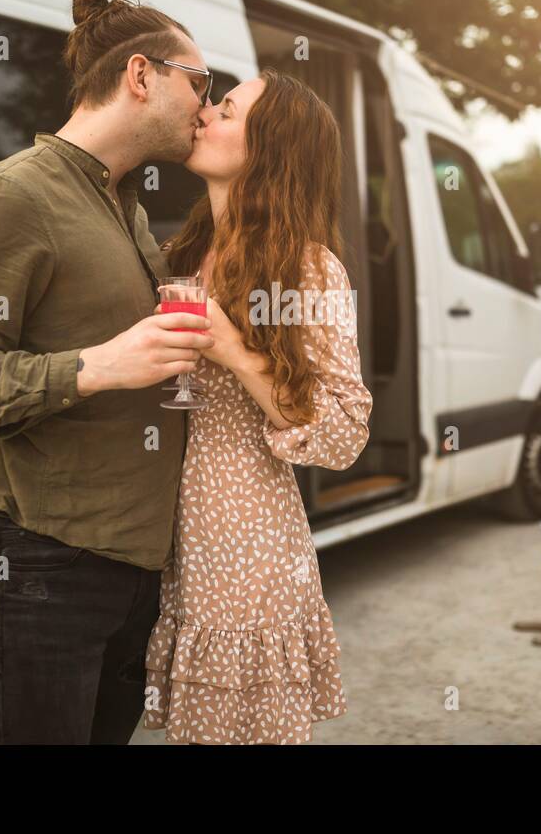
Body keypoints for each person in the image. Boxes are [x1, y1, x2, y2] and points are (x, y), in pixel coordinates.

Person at [0, 0, 216, 743]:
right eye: (199, 84)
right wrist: (98, 366)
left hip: (131, 573)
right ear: (141, 76)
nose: (206, 108)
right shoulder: (12, 197)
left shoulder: (125, 206)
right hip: (40, 568)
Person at [142, 68, 373, 744]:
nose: (205, 114)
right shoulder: (181, 254)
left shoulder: (308, 269)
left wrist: (236, 352)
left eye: (228, 110)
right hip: (172, 531)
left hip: (246, 544)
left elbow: (342, 432)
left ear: (269, 148)